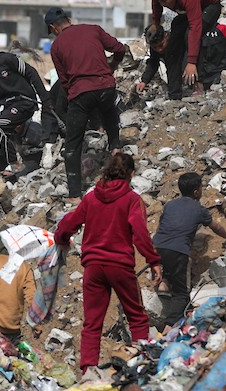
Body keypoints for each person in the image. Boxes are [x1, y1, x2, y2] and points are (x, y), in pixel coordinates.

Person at [54, 152, 163, 374]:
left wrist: (61, 239)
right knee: (136, 317)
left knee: (92, 323)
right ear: (131, 174)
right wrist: (153, 260)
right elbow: (140, 234)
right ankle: (140, 365)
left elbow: (69, 223)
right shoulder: (132, 199)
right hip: (120, 266)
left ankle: (88, 371)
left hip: (93, 267)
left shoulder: (91, 198)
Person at [45, 6, 127, 198]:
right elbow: (120, 48)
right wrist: (113, 65)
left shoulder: (56, 46)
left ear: (53, 27)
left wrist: (76, 98)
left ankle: (75, 195)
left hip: (81, 93)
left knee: (72, 145)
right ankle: (117, 157)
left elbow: (65, 81)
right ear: (68, 20)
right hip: (106, 87)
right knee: (110, 119)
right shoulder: (93, 29)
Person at [152, 172, 226, 326]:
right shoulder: (199, 209)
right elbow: (216, 227)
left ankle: (164, 284)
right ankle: (168, 327)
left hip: (157, 247)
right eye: (201, 188)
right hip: (178, 251)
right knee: (182, 293)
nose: (202, 191)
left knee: (169, 260)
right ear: (196, 192)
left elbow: (161, 228)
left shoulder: (170, 205)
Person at [0, 34, 52, 179]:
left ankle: (14, 163)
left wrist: (45, 99)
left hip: (24, 103)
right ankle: (6, 173)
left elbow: (31, 73)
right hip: (9, 108)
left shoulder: (7, 59)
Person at [137, 22, 226, 96]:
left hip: (215, 73)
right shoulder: (171, 41)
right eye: (155, 47)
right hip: (193, 77)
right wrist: (144, 81)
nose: (159, 49)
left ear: (166, 37)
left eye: (161, 45)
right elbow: (153, 63)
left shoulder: (217, 31)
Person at [149, 0, 222, 98]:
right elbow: (156, 6)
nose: (164, 5)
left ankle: (198, 84)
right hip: (187, 11)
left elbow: (195, 27)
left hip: (209, 7)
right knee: (173, 45)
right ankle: (174, 92)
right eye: (160, 2)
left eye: (165, 1)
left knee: (190, 36)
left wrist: (191, 62)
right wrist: (155, 23)